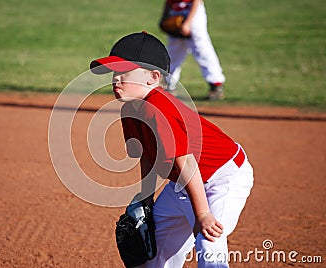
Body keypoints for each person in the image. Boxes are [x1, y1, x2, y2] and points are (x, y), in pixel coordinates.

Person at [90, 32, 253, 267]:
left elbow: (186, 162)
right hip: (183, 183)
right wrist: (146, 198)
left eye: (124, 73)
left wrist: (203, 214)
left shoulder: (160, 108)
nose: (116, 80)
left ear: (153, 77)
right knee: (154, 258)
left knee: (209, 240)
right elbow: (147, 156)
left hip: (221, 177)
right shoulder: (129, 109)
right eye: (114, 73)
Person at [161, 0, 226, 100]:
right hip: (175, 10)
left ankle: (216, 85)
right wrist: (164, 16)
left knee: (202, 50)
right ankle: (169, 85)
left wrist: (188, 22)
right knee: (173, 52)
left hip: (192, 11)